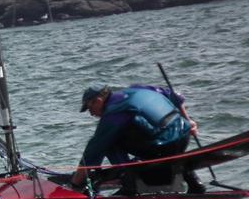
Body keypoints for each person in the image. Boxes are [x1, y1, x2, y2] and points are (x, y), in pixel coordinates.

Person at [69, 83, 206, 193]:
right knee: (122, 134)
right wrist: (189, 122)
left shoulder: (113, 114)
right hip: (183, 135)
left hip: (164, 145)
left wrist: (74, 185)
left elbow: (93, 150)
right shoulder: (136, 89)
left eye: (89, 108)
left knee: (107, 141)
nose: (91, 113)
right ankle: (196, 185)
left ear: (98, 101)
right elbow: (175, 96)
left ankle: (129, 184)